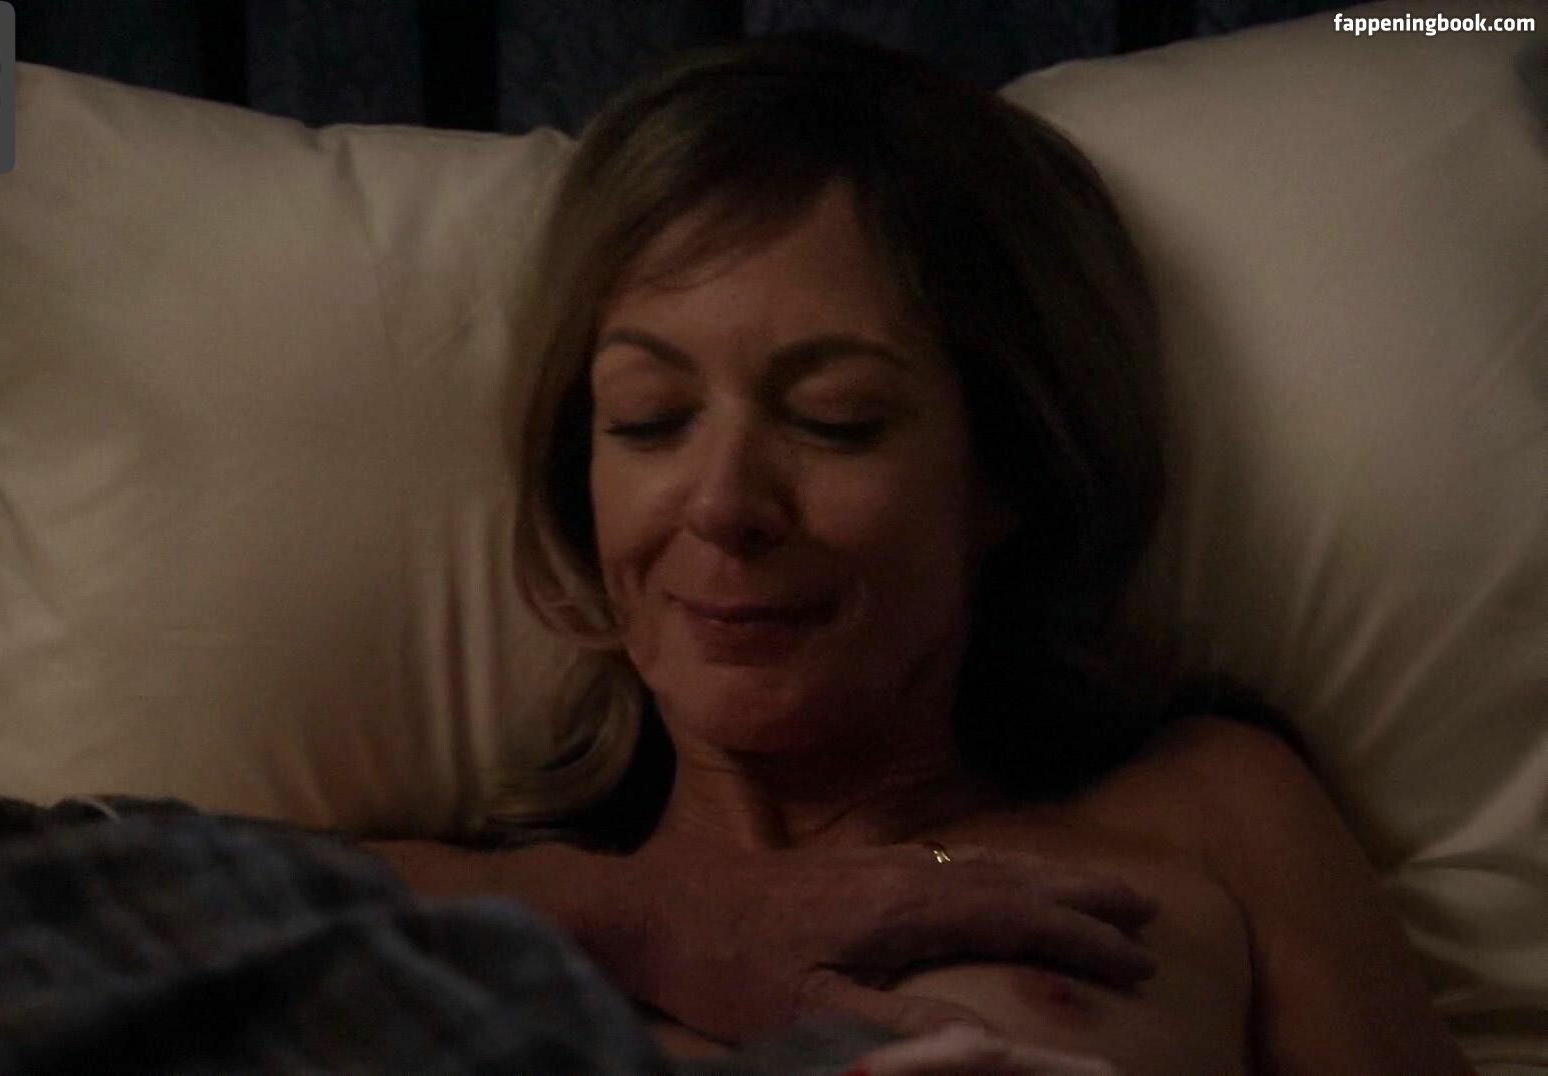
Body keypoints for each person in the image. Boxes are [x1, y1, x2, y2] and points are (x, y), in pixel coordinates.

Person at [359, 31, 1470, 1074]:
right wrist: (649, 923)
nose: (726, 505)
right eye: (650, 418)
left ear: (1008, 469)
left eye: (835, 419)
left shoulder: (1205, 816)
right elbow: (237, 900)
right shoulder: (449, 921)